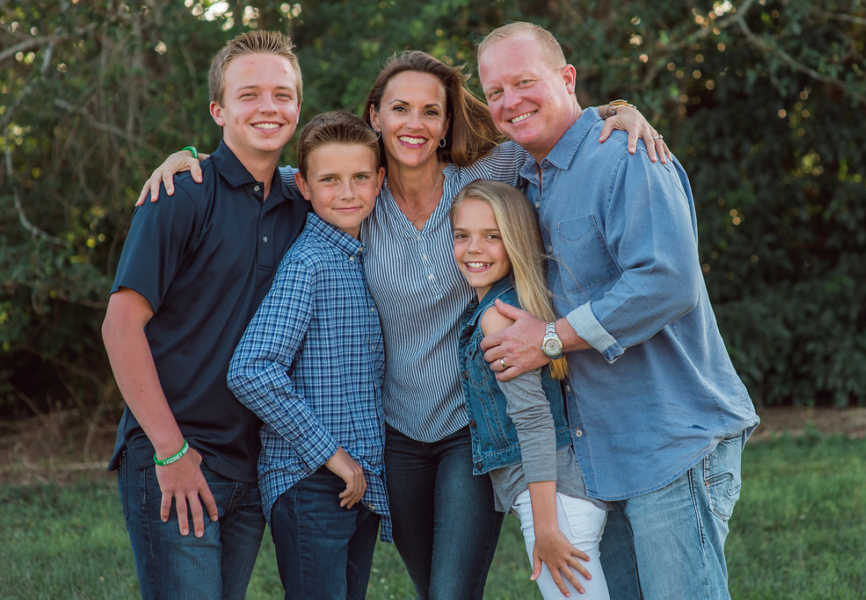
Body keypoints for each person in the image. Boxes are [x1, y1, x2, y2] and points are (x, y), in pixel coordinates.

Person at [139, 49, 667, 599]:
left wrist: (616, 110)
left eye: (430, 112)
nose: (414, 124)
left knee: (450, 591)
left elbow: (547, 130)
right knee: (425, 584)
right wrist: (191, 159)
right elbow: (261, 163)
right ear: (375, 116)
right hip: (394, 435)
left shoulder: (483, 176)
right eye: (399, 109)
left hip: (465, 427)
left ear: (444, 125)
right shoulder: (356, 192)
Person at [476, 22, 760, 599]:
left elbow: (668, 281)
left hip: (672, 440)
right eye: (496, 91)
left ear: (566, 77)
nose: (510, 101)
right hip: (602, 455)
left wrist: (550, 338)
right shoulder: (522, 174)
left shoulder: (624, 155)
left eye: (525, 81)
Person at [100, 30, 307, 599]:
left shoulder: (301, 203)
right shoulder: (183, 192)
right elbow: (120, 325)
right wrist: (171, 452)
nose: (268, 107)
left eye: (283, 94)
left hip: (251, 462)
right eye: (250, 95)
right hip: (175, 452)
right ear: (218, 110)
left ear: (298, 107)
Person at [227, 111, 389, 599]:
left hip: (355, 480)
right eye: (330, 180)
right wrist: (332, 456)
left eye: (360, 177)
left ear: (380, 180)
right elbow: (251, 370)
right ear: (304, 186)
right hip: (310, 481)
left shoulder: (362, 254)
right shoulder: (309, 263)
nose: (347, 193)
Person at [451, 180, 610, 600]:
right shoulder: (507, 303)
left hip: (555, 505)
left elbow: (535, 421)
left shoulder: (499, 318)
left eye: (492, 236)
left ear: (515, 240)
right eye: (462, 235)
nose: (474, 249)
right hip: (558, 500)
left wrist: (546, 529)